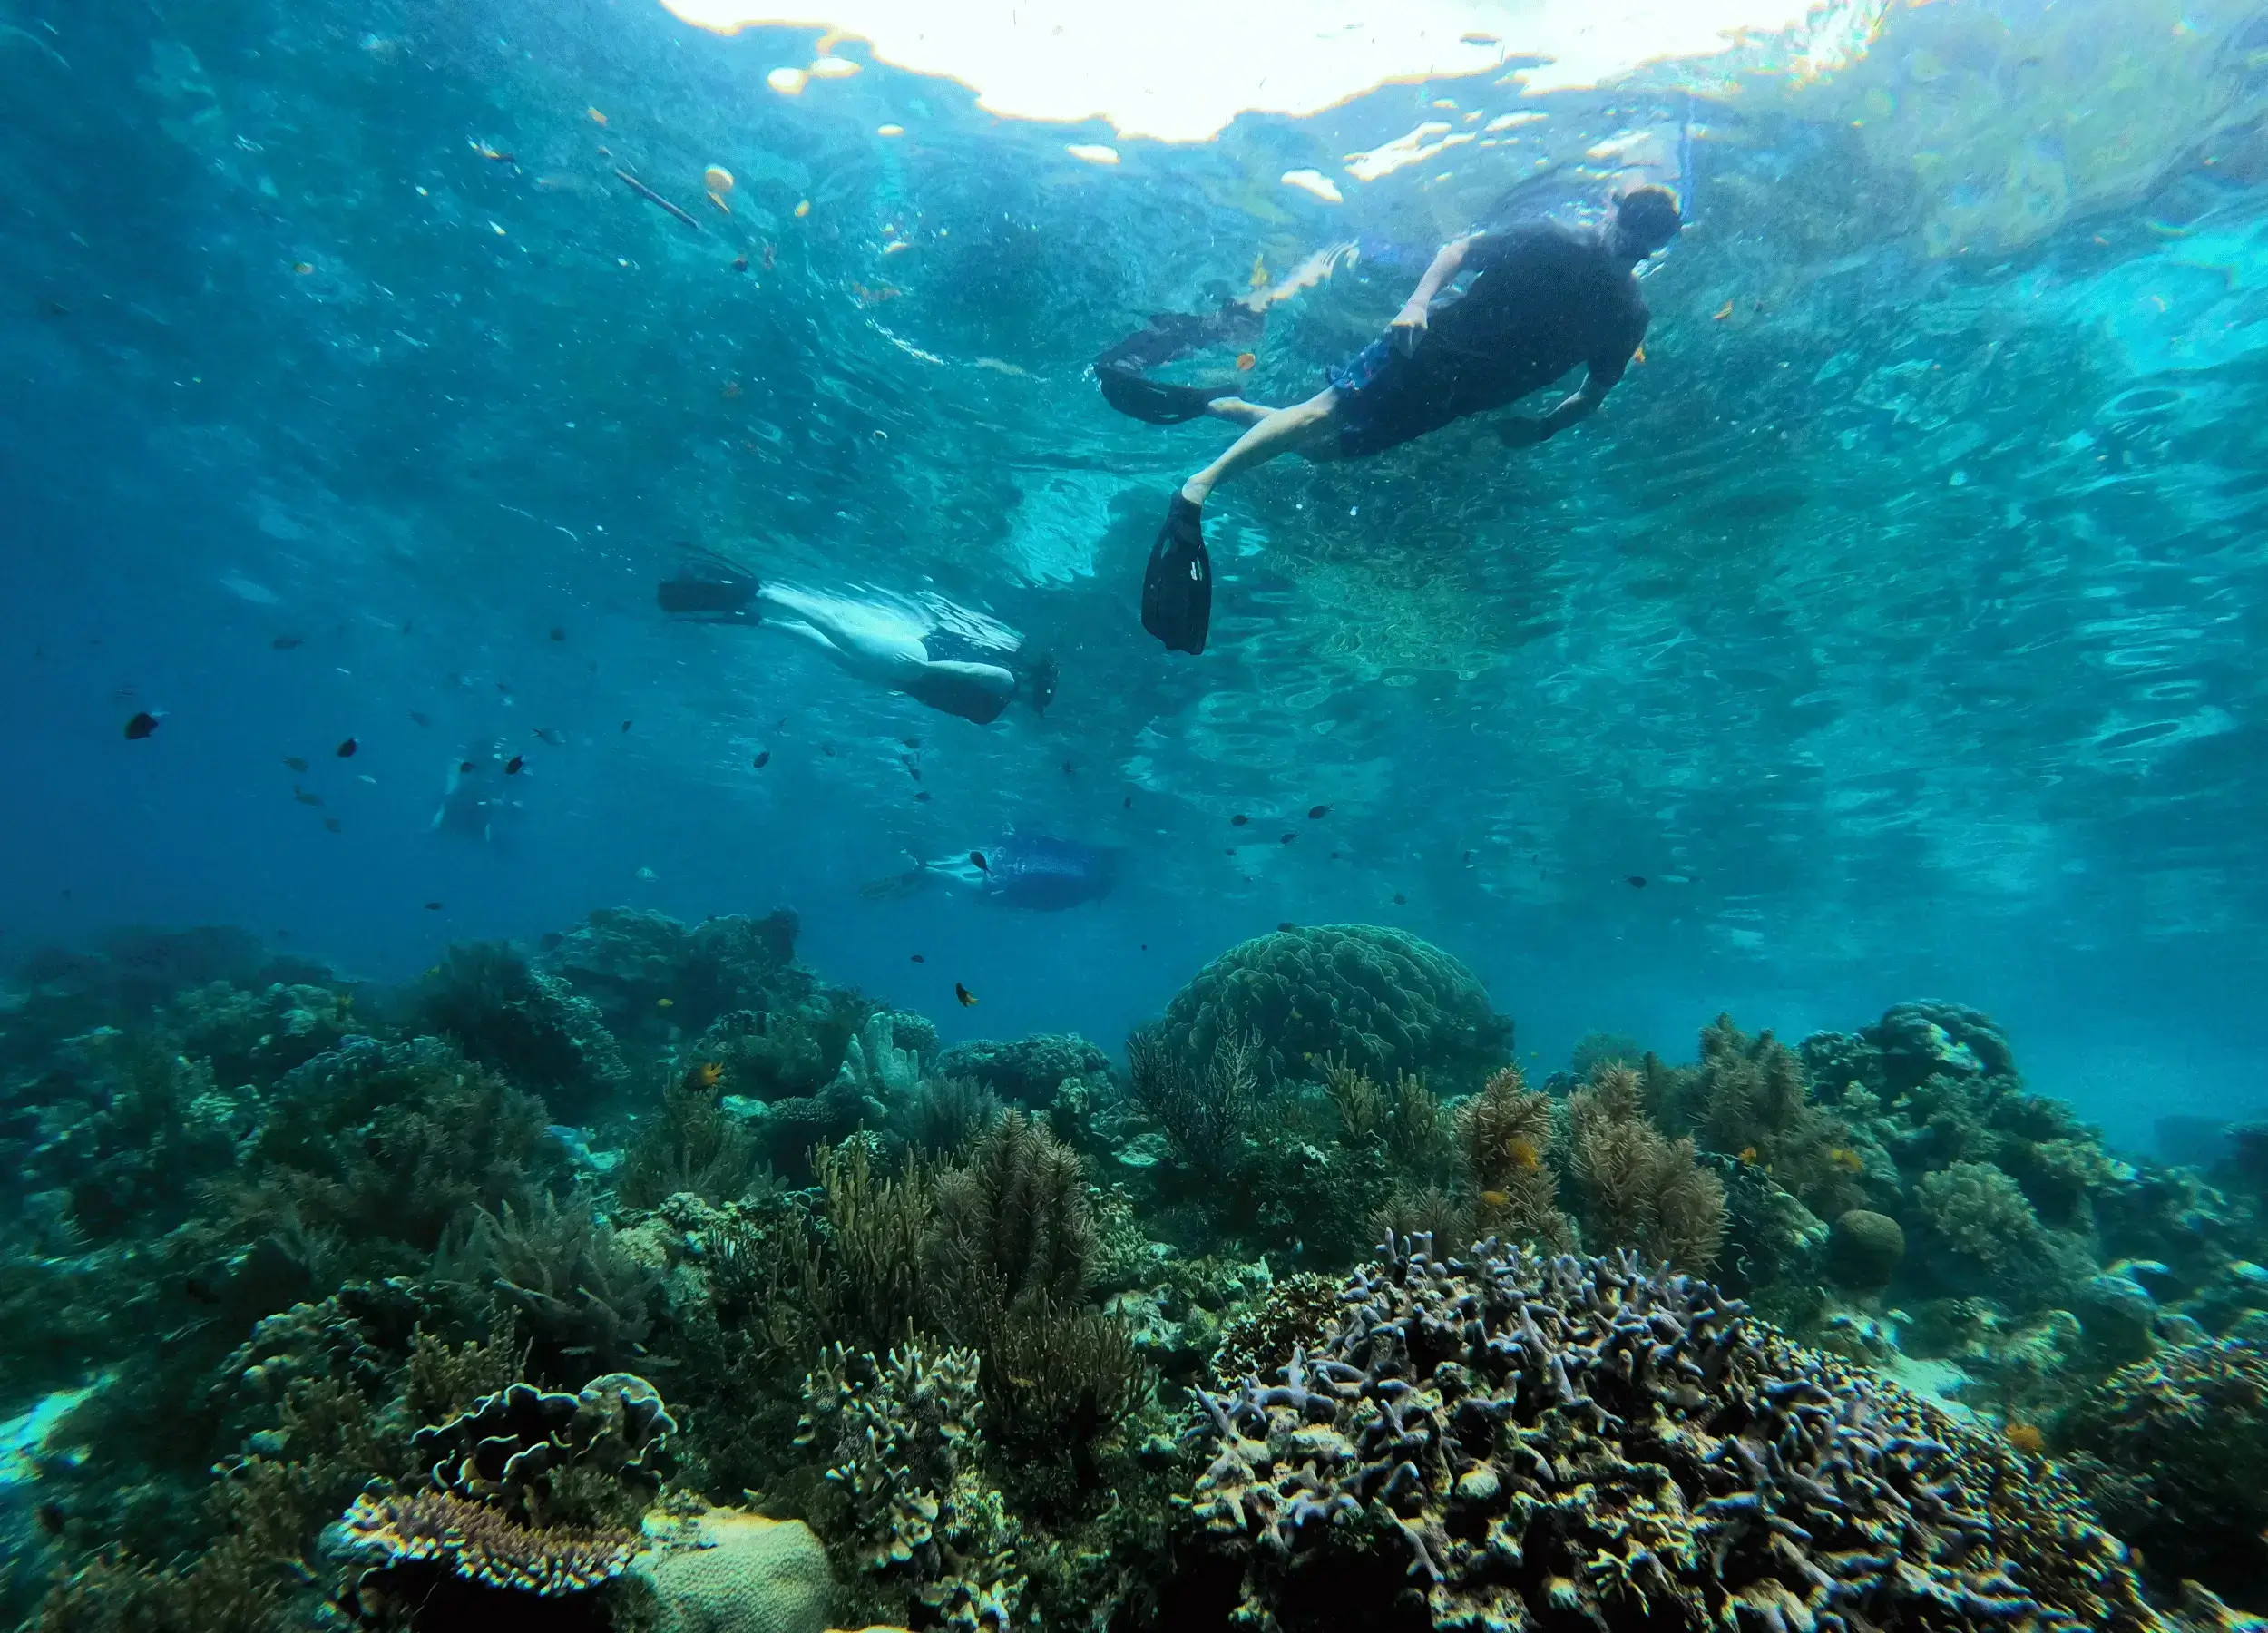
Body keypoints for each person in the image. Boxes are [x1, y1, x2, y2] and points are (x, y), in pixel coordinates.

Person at [1103, 185, 1685, 654]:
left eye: (1644, 239)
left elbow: (1591, 396)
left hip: (1457, 398)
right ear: (1614, 212)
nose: (1629, 242)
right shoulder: (1555, 242)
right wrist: (1415, 304)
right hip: (1423, 348)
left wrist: (1543, 427)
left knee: (1324, 450)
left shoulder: (1627, 315)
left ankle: (1217, 405)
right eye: (1629, 224)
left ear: (1654, 247)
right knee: (1319, 415)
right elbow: (1458, 253)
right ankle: (1196, 489)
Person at [658, 552, 1055, 726]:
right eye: (1032, 701)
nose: (1025, 706)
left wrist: (916, 678)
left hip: (902, 674)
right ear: (1031, 689)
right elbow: (968, 669)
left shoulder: (996, 705)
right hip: (908, 665)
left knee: (827, 640)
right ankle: (760, 596)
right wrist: (922, 670)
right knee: (833, 636)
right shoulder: (1007, 683)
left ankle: (756, 611)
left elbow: (958, 683)